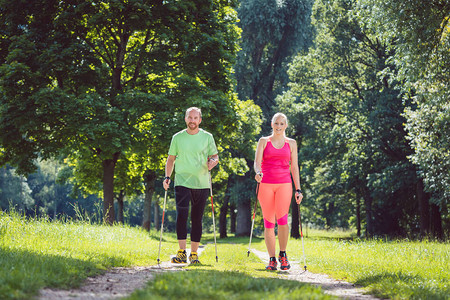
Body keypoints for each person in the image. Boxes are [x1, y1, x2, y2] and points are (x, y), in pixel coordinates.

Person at [163, 107, 219, 264]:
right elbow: (171, 159)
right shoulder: (177, 138)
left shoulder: (207, 137)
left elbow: (215, 156)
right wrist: (167, 177)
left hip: (202, 183)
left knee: (197, 218)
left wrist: (213, 162)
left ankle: (194, 254)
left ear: (200, 120)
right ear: (185, 119)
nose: (192, 120)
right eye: (190, 117)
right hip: (182, 181)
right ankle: (181, 252)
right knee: (182, 215)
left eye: (195, 118)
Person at [254, 112, 303, 271]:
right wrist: (258, 173)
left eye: (282, 124)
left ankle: (283, 255)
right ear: (271, 124)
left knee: (282, 221)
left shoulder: (292, 143)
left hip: (284, 185)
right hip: (266, 184)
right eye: (276, 123)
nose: (279, 126)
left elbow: (294, 167)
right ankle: (272, 259)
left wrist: (298, 189)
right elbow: (257, 163)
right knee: (269, 223)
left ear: (286, 126)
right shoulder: (263, 141)